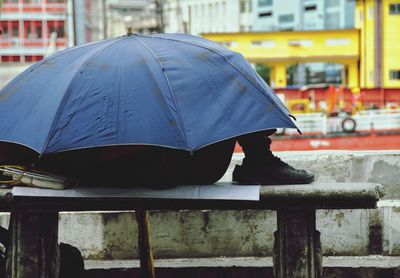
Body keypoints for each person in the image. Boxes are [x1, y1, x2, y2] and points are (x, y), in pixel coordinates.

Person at [15, 128, 313, 188]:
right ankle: (259, 158)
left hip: (162, 169)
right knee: (226, 92)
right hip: (167, 172)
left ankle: (259, 158)